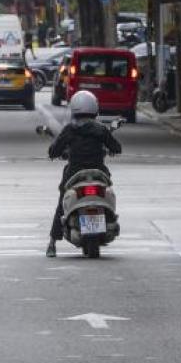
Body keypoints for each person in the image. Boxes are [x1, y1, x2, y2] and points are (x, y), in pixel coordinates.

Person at [45, 91, 121, 257]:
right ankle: (109, 217)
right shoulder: (100, 129)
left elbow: (54, 150)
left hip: (74, 173)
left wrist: (54, 151)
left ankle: (52, 243)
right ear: (94, 108)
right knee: (108, 191)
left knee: (61, 205)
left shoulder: (70, 130)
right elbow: (117, 147)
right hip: (98, 173)